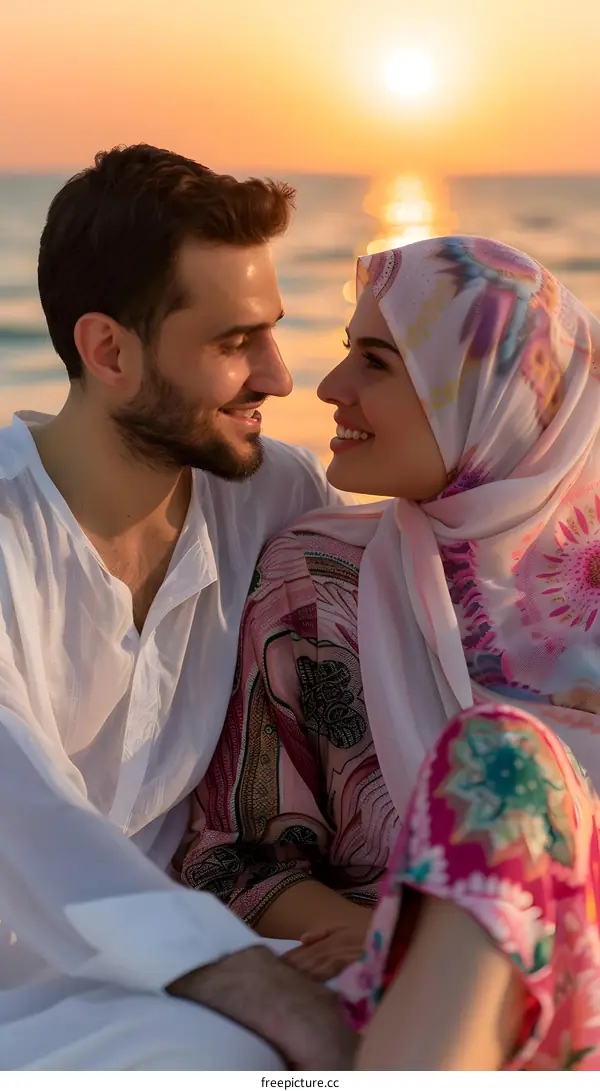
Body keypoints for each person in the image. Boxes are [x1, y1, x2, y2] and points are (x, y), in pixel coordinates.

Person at [183, 236, 600, 1066]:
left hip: (566, 982)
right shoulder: (313, 578)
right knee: (503, 755)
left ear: (496, 396)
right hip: (421, 993)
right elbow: (231, 861)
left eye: (377, 361)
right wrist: (399, 933)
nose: (329, 388)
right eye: (346, 353)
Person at [0, 143, 356, 1071]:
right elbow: (17, 800)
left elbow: (392, 629)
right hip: (48, 993)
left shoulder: (273, 491)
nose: (281, 376)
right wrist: (240, 975)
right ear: (109, 349)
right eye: (235, 342)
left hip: (191, 971)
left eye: (272, 331)